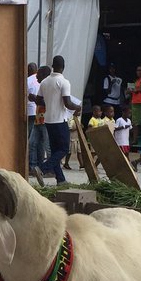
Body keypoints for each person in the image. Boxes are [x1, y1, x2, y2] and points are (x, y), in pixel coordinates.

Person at [35, 55, 81, 185]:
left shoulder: (44, 82)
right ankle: (42, 168)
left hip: (48, 120)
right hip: (60, 120)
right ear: (63, 67)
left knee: (55, 150)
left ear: (52, 66)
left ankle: (60, 179)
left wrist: (50, 102)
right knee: (64, 149)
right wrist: (78, 107)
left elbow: (38, 100)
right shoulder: (64, 82)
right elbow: (67, 103)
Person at [26, 62, 50, 182]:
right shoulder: (41, 86)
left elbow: (48, 102)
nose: (36, 76)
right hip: (37, 118)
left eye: (39, 74)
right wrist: (35, 99)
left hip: (45, 119)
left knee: (46, 145)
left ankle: (49, 169)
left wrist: (34, 98)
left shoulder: (48, 86)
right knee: (34, 143)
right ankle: (34, 167)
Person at [129, 64, 141, 143]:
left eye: (140, 70)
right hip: (135, 103)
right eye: (137, 70)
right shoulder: (136, 81)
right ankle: (135, 140)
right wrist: (130, 91)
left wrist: (139, 90)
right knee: (135, 122)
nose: (138, 72)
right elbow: (134, 90)